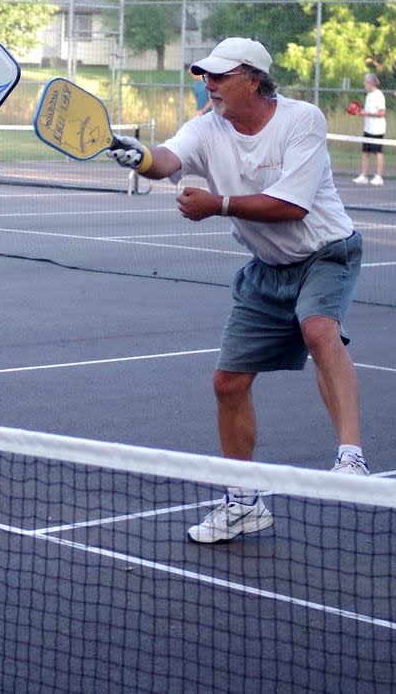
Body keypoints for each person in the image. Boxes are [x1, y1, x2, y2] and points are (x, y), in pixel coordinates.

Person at [107, 37, 369, 544]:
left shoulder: (302, 120)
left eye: (220, 76)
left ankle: (351, 458)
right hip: (267, 268)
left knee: (319, 331)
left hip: (326, 253)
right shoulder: (207, 125)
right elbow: (168, 159)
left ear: (253, 78)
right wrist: (138, 157)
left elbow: (292, 205)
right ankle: (244, 502)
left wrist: (217, 204)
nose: (209, 84)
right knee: (227, 383)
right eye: (205, 75)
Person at [352, 73, 386, 186]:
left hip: (377, 129)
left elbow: (382, 113)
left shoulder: (379, 95)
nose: (364, 84)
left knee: (378, 152)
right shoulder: (369, 95)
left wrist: (365, 113)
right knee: (365, 152)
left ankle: (379, 177)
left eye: (365, 82)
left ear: (371, 83)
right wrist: (360, 111)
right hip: (368, 128)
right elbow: (368, 111)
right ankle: (364, 176)